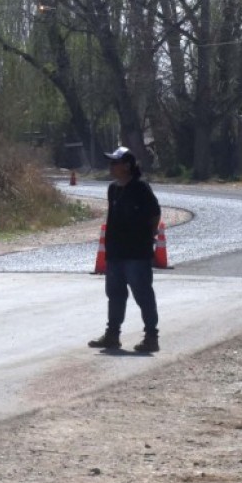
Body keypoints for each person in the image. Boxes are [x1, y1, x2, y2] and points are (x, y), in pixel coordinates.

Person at [89, 145, 162, 353]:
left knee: (143, 294)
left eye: (115, 162)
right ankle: (112, 335)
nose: (111, 166)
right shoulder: (113, 189)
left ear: (127, 166)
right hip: (115, 253)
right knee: (115, 295)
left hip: (137, 253)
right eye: (111, 162)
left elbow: (155, 214)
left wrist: (148, 236)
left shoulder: (141, 188)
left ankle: (151, 337)